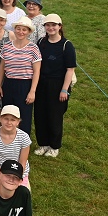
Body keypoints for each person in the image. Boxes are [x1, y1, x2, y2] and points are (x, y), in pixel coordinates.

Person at [34, 13, 75, 158]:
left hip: (58, 84)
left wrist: (64, 89)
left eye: (54, 25)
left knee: (54, 115)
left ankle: (54, 146)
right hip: (41, 83)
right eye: (48, 25)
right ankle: (43, 143)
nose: (50, 28)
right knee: (40, 114)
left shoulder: (66, 45)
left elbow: (70, 69)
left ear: (60, 27)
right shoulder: (41, 42)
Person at [0, 17, 41, 135]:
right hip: (9, 83)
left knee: (24, 115)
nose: (21, 32)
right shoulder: (7, 46)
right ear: (15, 29)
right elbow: (2, 67)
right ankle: (6, 138)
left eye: (24, 30)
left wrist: (32, 91)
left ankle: (23, 140)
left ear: (29, 32)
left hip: (25, 84)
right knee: (7, 113)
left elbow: (37, 71)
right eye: (18, 29)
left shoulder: (33, 48)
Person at [0, 105, 31, 189]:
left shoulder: (24, 137)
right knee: (4, 192)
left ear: (18, 122)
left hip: (19, 170)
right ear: (0, 119)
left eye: (13, 120)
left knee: (22, 193)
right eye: (6, 119)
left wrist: (18, 175)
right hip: (0, 168)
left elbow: (23, 161)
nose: (9, 122)